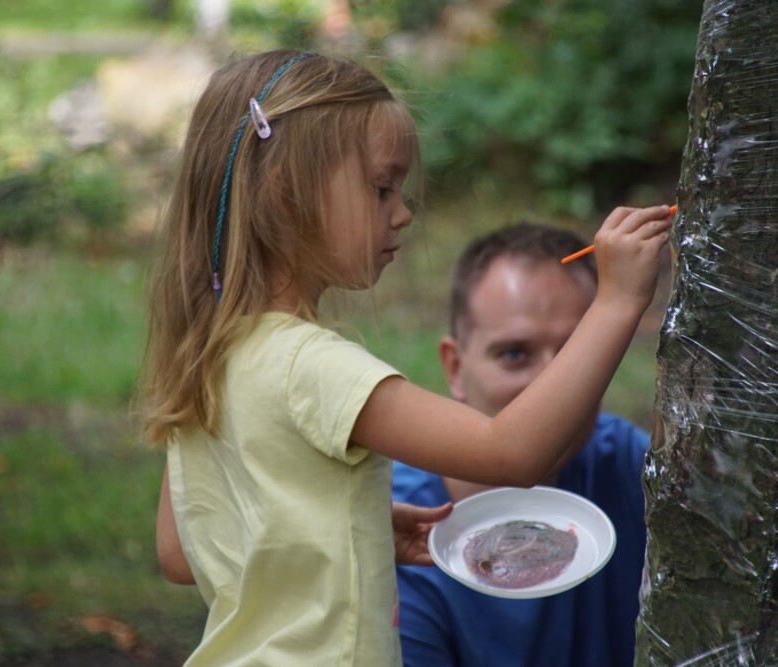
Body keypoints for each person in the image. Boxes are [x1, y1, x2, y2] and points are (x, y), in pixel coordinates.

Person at [138, 47, 671, 667]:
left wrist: (347, 529)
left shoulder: (213, 356)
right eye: (381, 188)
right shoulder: (313, 365)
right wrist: (617, 301)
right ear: (285, 195)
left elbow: (182, 552)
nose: (403, 213)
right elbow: (512, 453)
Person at [392, 223, 651, 667]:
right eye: (514, 354)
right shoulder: (398, 531)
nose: (552, 386)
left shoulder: (631, 466)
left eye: (576, 353)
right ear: (454, 368)